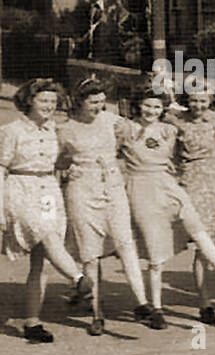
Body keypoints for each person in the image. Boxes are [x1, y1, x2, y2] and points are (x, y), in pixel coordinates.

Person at [122, 86, 215, 325]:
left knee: (197, 227)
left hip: (170, 186)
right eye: (147, 105)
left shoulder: (169, 129)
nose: (151, 110)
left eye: (157, 106)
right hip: (142, 188)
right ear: (139, 105)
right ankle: (156, 307)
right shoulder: (127, 128)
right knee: (155, 249)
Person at [58, 79, 154, 335]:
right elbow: (58, 161)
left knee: (125, 243)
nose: (98, 107)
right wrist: (73, 169)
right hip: (82, 189)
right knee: (90, 252)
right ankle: (97, 313)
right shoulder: (65, 129)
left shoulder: (112, 120)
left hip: (112, 185)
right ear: (80, 101)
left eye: (102, 101)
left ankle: (142, 303)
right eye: (93, 102)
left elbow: (138, 136)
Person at [0, 78, 93, 343]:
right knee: (46, 234)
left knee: (41, 259)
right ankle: (78, 279)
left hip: (48, 189)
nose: (48, 106)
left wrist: (70, 168)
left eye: (53, 102)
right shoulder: (11, 131)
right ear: (29, 101)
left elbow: (61, 161)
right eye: (43, 101)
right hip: (20, 187)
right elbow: (1, 167)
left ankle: (32, 322)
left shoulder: (56, 130)